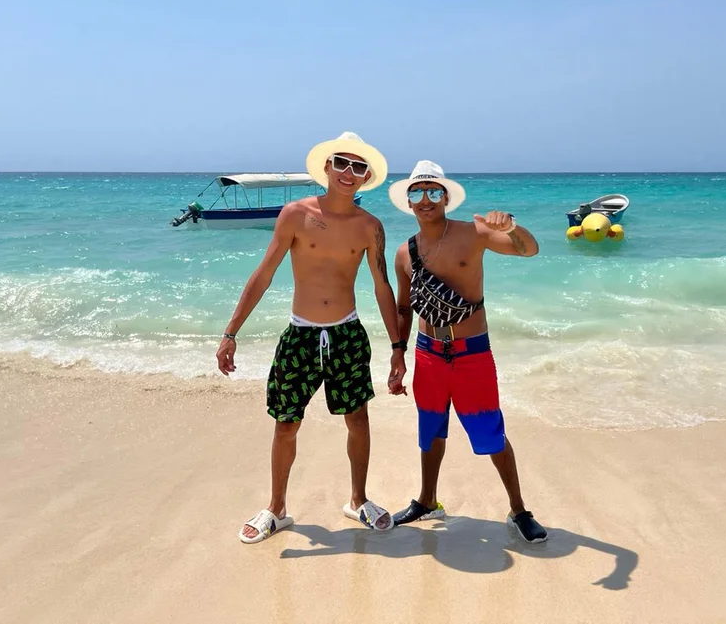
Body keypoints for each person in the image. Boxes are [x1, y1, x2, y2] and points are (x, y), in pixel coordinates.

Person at [216, 132, 408, 544]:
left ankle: (358, 499)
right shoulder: (295, 214)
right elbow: (264, 273)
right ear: (327, 167)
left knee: (358, 419)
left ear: (367, 176)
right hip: (300, 335)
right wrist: (231, 332)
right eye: (342, 162)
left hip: (346, 334)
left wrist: (397, 348)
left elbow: (381, 286)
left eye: (358, 166)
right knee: (286, 424)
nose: (348, 172)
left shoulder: (370, 227)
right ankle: (276, 508)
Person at [387, 160, 548, 543]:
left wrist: (511, 227)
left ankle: (518, 510)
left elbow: (529, 250)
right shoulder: (405, 253)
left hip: (471, 353)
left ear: (446, 198)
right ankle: (427, 501)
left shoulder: (474, 233)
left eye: (433, 192)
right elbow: (404, 308)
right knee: (430, 430)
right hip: (427, 353)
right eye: (417, 193)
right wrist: (398, 354)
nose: (425, 200)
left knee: (491, 430)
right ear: (408, 202)